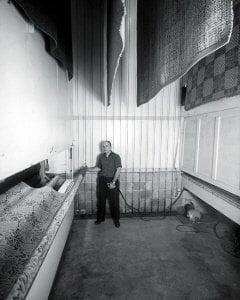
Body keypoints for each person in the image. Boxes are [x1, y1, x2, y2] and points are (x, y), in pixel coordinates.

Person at [87, 141, 122, 228]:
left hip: (112, 180)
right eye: (103, 146)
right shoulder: (101, 156)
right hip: (102, 180)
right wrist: (88, 169)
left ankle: (116, 220)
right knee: (101, 201)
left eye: (107, 146)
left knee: (114, 202)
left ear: (110, 146)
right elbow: (98, 168)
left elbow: (118, 170)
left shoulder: (116, 156)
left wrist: (113, 182)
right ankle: (100, 218)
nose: (105, 147)